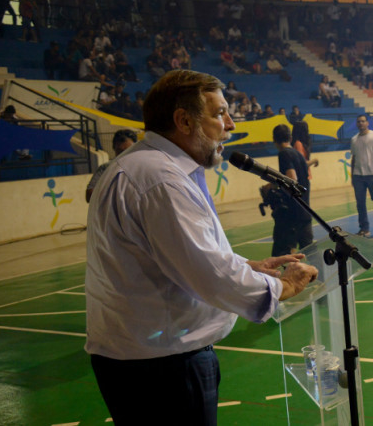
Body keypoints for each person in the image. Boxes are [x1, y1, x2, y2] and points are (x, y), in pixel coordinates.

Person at [85, 70, 318, 426]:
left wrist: (246, 266)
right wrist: (283, 285)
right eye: (220, 113)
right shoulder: (162, 180)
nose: (231, 124)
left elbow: (174, 257)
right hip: (163, 368)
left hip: (140, 362)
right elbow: (210, 276)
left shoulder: (138, 166)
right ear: (183, 120)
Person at [267, 124, 313, 256]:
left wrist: (272, 186)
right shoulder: (298, 154)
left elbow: (292, 179)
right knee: (309, 252)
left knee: (281, 254)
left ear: (274, 139)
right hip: (305, 210)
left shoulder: (284, 154)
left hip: (291, 214)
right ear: (290, 138)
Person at [350, 114, 373, 237]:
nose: (361, 123)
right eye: (358, 121)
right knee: (360, 203)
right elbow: (353, 159)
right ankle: (364, 228)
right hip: (358, 176)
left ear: (367, 123)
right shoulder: (354, 139)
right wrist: (352, 176)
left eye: (363, 121)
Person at [85, 129, 137, 202]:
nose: (124, 155)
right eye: (120, 151)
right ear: (114, 149)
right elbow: (90, 195)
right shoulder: (105, 168)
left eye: (128, 151)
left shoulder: (142, 167)